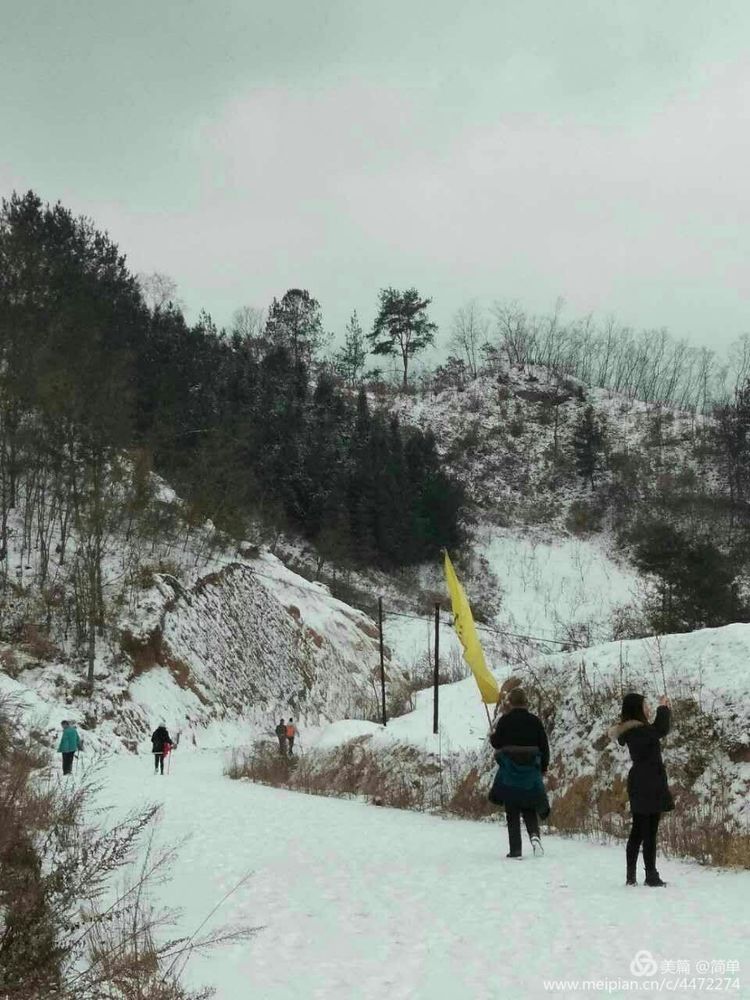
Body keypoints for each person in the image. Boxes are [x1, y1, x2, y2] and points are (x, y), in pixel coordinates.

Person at [608, 693, 673, 887]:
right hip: (648, 783)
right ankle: (650, 876)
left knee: (638, 830)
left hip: (645, 781)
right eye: (645, 704)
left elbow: (655, 730)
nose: (648, 707)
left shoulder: (637, 730)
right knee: (649, 830)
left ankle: (631, 876)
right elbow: (660, 729)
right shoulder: (637, 731)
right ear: (637, 708)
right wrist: (663, 708)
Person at [489, 687, 550, 859]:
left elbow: (497, 743)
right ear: (526, 702)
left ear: (511, 703)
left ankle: (515, 850)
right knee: (529, 806)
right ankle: (535, 837)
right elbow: (544, 747)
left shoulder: (505, 721)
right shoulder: (535, 722)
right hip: (531, 774)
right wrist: (543, 767)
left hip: (509, 774)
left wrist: (492, 735)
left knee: (512, 809)